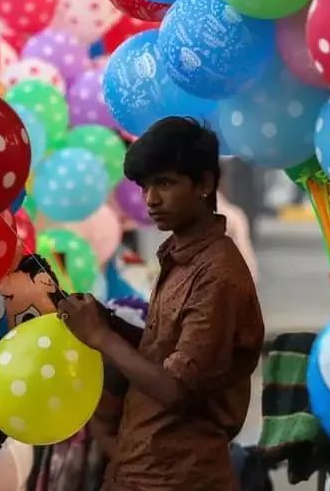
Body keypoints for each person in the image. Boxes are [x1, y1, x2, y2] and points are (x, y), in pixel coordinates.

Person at [58, 116, 265, 491]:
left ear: (203, 183)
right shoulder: (181, 255)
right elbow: (165, 353)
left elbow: (176, 389)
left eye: (165, 184)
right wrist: (107, 323)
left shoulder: (216, 275)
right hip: (141, 467)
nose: (151, 199)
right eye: (145, 186)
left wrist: (102, 338)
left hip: (181, 476)